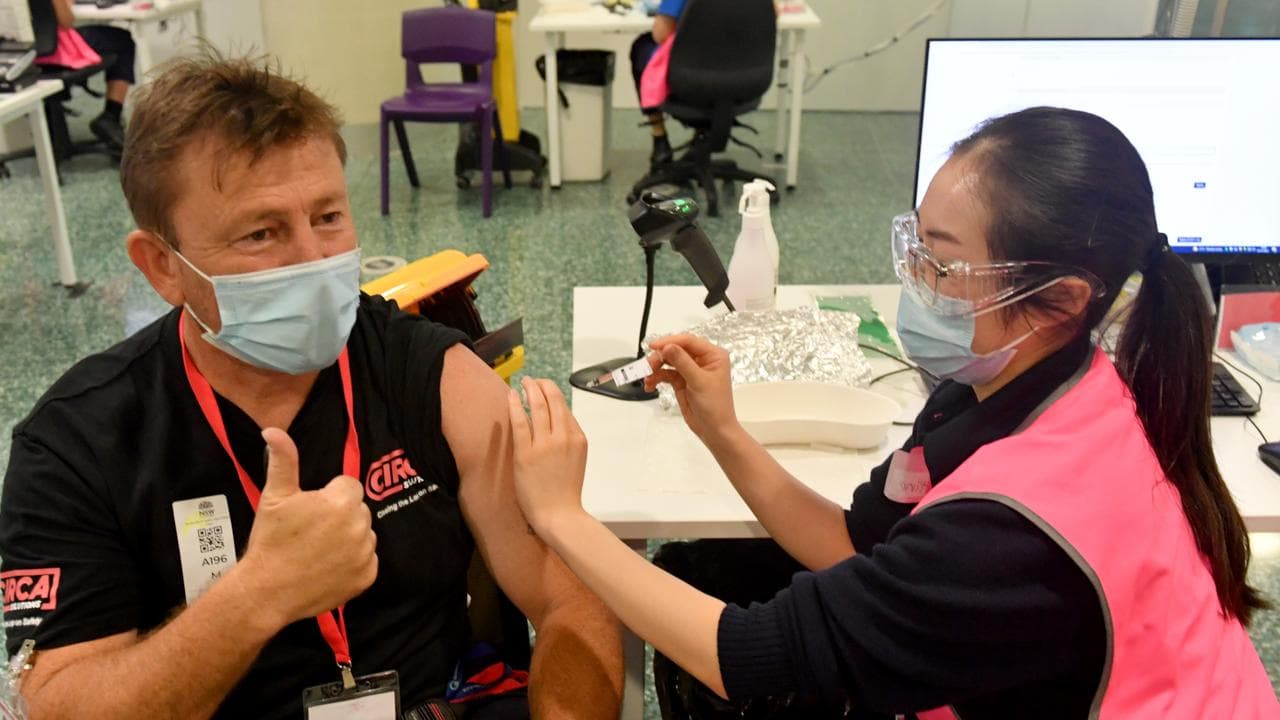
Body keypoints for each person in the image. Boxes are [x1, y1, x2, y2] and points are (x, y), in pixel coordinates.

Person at [505, 107, 1278, 717]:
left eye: (942, 264)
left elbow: (743, 656)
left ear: (1063, 300)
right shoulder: (1007, 388)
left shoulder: (1014, 530)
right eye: (917, 246)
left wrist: (568, 520)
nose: (917, 282)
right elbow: (850, 545)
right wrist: (723, 431)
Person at [0, 50, 622, 719]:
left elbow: (574, 599)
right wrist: (257, 596)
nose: (313, 260)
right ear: (162, 266)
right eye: (262, 233)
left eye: (328, 217)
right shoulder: (79, 441)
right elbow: (57, 703)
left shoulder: (434, 374)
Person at [46, 0, 136, 149]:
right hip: (55, 50)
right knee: (123, 41)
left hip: (21, 55)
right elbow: (66, 20)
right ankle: (111, 116)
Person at [629, 0, 685, 168]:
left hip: (691, 77)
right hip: (743, 76)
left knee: (642, 48)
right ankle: (704, 136)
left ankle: (660, 138)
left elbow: (661, 33)